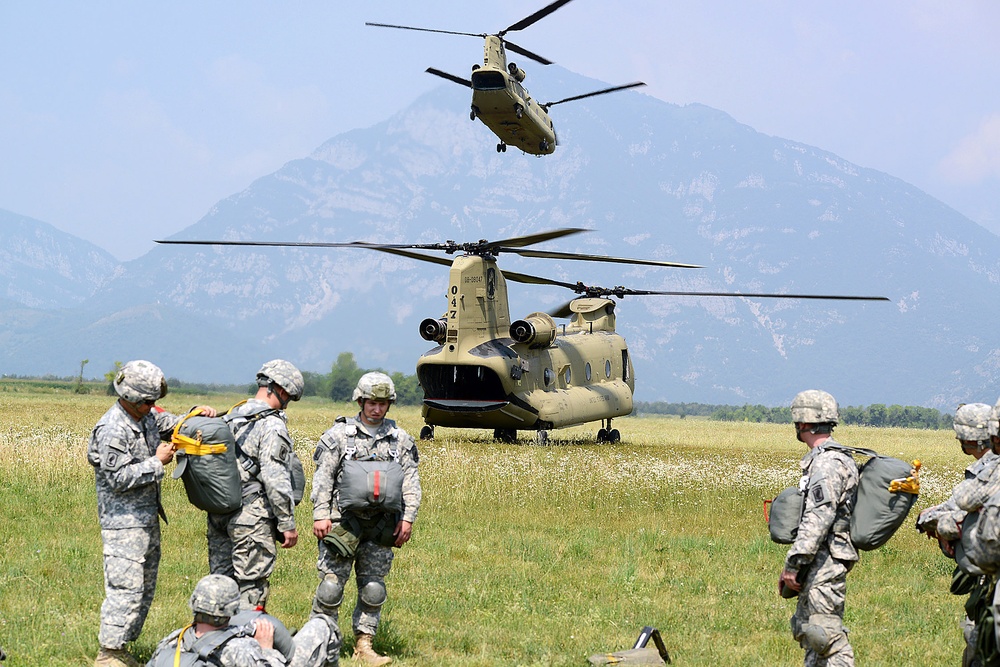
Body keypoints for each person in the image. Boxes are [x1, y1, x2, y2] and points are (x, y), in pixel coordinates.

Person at [88, 360, 217, 667]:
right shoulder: (112, 429)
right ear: (131, 398)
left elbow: (172, 424)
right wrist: (157, 462)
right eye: (147, 402)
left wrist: (198, 415)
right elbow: (118, 479)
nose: (152, 406)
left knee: (143, 589)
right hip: (123, 523)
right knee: (126, 588)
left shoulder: (144, 417)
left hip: (145, 519)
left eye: (154, 402)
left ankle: (121, 647)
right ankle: (108, 653)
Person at [310, 372, 422, 666]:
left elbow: (411, 482)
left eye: (383, 403)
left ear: (389, 404)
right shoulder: (338, 437)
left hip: (382, 526)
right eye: (372, 402)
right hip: (341, 524)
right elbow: (323, 479)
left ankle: (364, 646)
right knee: (330, 587)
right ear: (360, 401)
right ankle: (321, 643)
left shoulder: (401, 441)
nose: (377, 408)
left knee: (373, 589)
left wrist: (408, 518)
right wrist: (320, 514)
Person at [207, 360, 304, 611]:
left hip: (220, 510)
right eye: (289, 398)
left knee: (220, 584)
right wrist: (287, 523)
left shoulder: (231, 415)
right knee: (252, 585)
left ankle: (215, 641)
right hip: (251, 517)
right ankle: (247, 643)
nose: (287, 403)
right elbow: (275, 478)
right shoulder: (271, 424)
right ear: (281, 390)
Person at [778, 389, 859, 667]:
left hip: (824, 562)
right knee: (811, 634)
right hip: (818, 561)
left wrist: (794, 562)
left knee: (827, 638)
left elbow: (819, 517)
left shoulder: (827, 464)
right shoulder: (830, 459)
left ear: (802, 423)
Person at [916, 402, 995, 667]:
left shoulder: (988, 474)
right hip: (987, 578)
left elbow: (969, 517)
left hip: (991, 580)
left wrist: (941, 525)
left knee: (981, 649)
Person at [146, 574, 341, 667]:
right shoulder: (241, 649)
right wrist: (266, 649)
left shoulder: (172, 641)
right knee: (321, 625)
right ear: (232, 608)